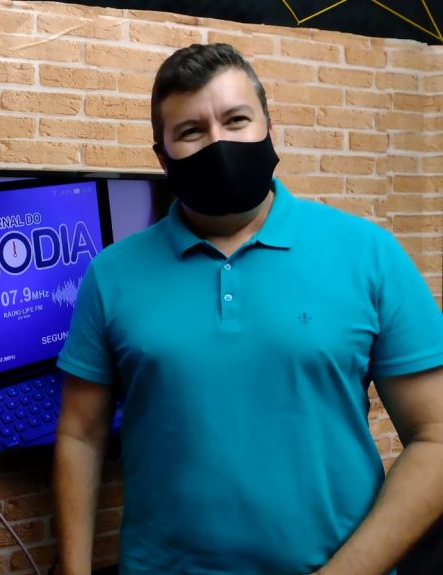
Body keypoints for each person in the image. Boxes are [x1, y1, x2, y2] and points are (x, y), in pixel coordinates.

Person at [53, 43, 443, 575]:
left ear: (267, 126)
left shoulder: (368, 254)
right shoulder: (112, 274)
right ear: (162, 156)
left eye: (236, 120)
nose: (219, 142)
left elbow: (434, 437)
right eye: (191, 131)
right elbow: (81, 435)